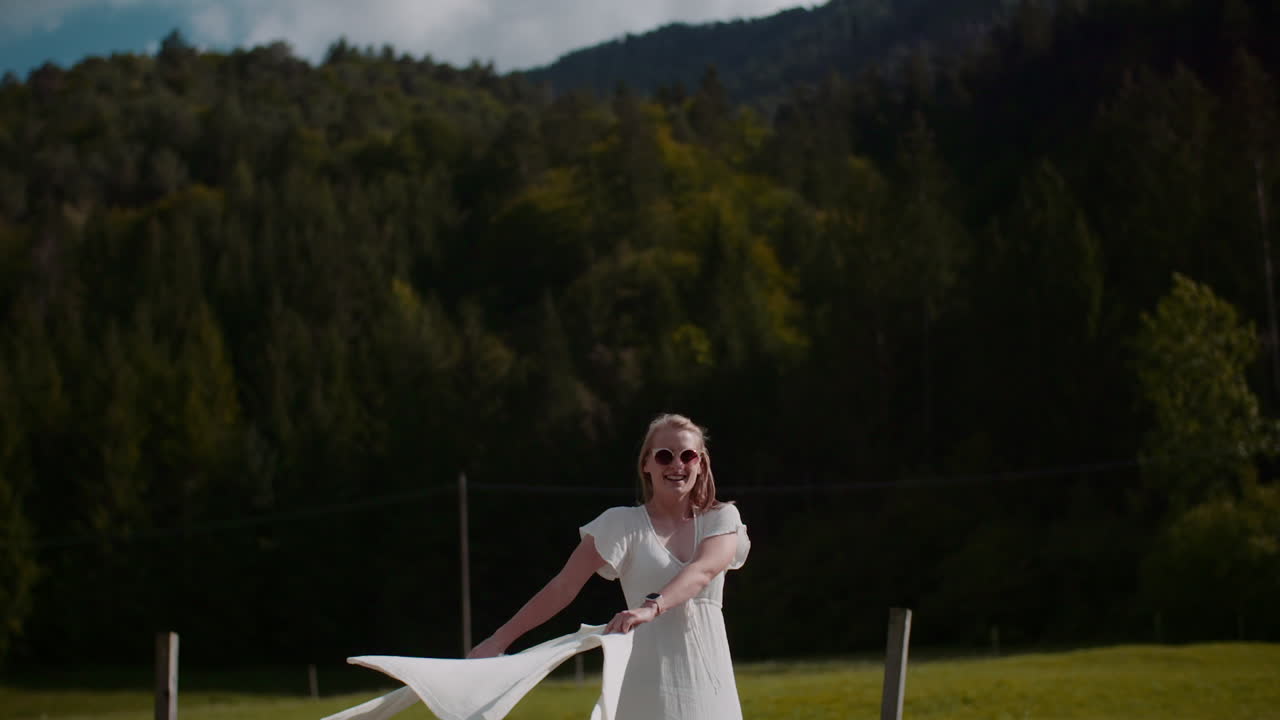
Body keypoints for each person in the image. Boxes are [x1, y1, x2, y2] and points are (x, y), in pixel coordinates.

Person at [467, 413, 751, 719]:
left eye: (688, 455)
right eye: (665, 456)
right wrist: (498, 641)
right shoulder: (620, 524)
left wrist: (651, 607)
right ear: (647, 464)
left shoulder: (722, 519)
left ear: (701, 464)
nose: (676, 465)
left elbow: (703, 570)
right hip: (645, 687)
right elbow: (563, 587)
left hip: (710, 684)